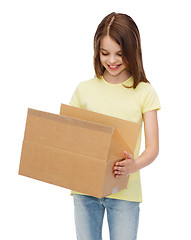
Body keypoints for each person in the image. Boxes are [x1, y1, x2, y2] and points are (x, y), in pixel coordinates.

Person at [70, 12, 161, 240]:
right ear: (96, 52)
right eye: (105, 53)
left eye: (120, 54)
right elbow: (69, 135)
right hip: (85, 188)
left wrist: (134, 165)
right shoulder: (84, 90)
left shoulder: (144, 92)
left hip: (125, 192)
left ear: (133, 51)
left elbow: (153, 148)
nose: (112, 61)